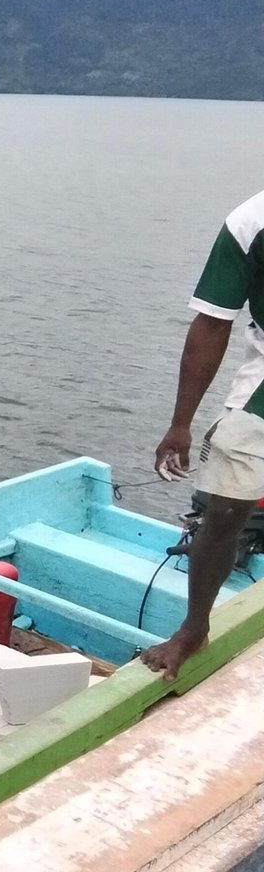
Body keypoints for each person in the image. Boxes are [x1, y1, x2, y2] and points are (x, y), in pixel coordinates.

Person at [143, 189, 264, 681]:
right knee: (226, 503)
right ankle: (194, 630)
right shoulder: (250, 222)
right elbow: (213, 321)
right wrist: (181, 423)